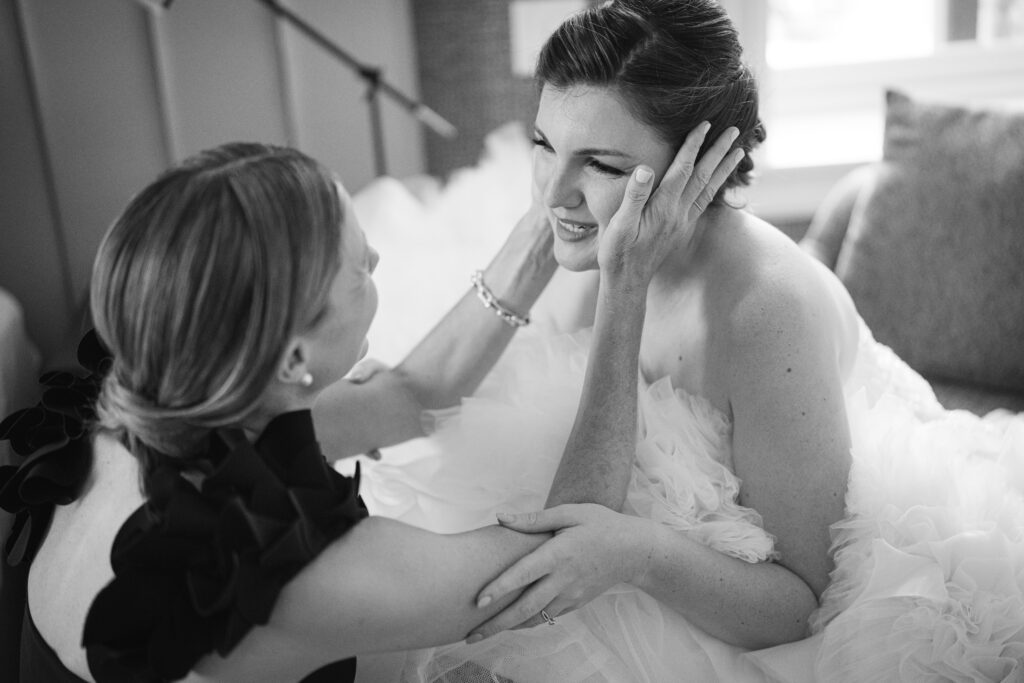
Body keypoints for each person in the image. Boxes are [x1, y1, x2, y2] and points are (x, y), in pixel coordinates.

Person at [344, 1, 1024, 680]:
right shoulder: (593, 250)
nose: (554, 193)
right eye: (545, 144)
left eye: (602, 165)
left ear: (696, 165)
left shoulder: (763, 313)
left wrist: (643, 554)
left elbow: (806, 606)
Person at [0, 131, 741, 681]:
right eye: (358, 271)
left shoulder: (158, 406)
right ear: (292, 361)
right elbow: (560, 556)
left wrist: (553, 222)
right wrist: (626, 286)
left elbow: (412, 394)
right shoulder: (274, 570)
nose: (379, 261)